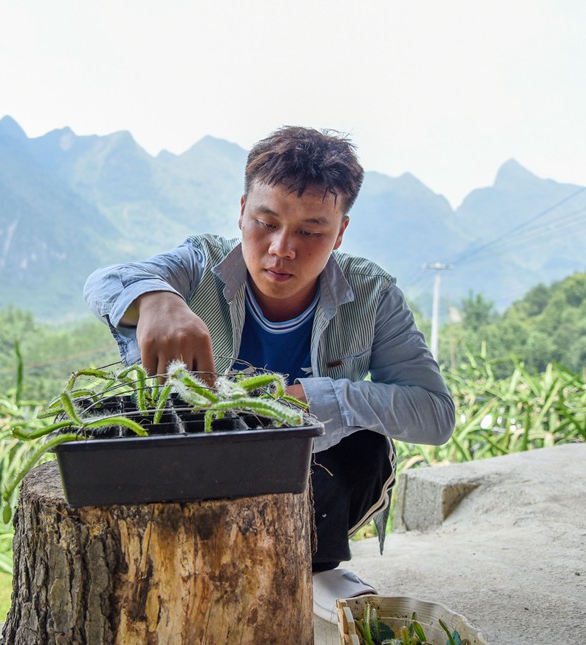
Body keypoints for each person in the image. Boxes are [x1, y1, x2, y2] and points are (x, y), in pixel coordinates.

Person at [83, 125, 455, 623]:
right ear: (241, 211)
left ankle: (317, 564)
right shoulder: (199, 264)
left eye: (311, 230)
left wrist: (318, 397)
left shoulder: (373, 295)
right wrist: (157, 300)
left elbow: (434, 413)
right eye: (266, 222)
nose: (283, 248)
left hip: (307, 481)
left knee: (366, 444)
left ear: (341, 231)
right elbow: (104, 281)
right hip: (194, 473)